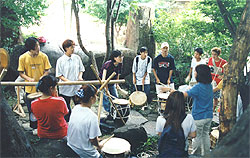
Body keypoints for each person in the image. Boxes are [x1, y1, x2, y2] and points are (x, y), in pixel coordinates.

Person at [17, 37, 51, 132]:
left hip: (42, 89)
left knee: (44, 109)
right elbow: (21, 73)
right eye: (37, 46)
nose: (39, 47)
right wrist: (29, 79)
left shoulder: (44, 56)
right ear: (31, 48)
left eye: (39, 45)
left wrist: (42, 77)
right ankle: (34, 128)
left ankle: (44, 127)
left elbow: (47, 70)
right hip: (29, 89)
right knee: (32, 110)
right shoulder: (23, 58)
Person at [183, 64, 213, 156]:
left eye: (195, 71)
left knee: (197, 137)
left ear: (200, 74)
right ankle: (207, 154)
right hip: (209, 116)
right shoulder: (209, 85)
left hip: (199, 117)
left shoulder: (198, 87)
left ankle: (196, 154)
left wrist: (172, 91)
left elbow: (184, 95)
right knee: (205, 135)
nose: (194, 73)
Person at [156, 91, 196, 157]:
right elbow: (193, 135)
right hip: (181, 152)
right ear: (182, 103)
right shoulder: (189, 117)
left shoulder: (160, 119)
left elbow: (161, 135)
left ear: (168, 103)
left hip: (165, 153)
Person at [67, 85, 103, 158]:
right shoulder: (92, 117)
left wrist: (97, 139)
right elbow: (92, 140)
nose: (97, 97)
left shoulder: (75, 108)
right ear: (92, 98)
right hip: (84, 151)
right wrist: (99, 146)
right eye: (96, 95)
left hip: (71, 146)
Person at [56, 39, 85, 122]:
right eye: (71, 47)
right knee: (66, 108)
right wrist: (67, 81)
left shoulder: (77, 58)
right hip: (65, 87)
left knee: (79, 105)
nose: (73, 49)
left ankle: (79, 121)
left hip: (77, 87)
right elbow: (59, 75)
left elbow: (81, 69)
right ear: (66, 48)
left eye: (73, 47)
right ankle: (68, 123)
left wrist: (80, 77)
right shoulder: (60, 60)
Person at [31, 75, 68, 139]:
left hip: (42, 134)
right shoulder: (60, 101)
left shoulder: (33, 103)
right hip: (60, 134)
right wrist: (56, 97)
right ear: (51, 88)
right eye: (55, 87)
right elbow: (65, 113)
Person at [207, 47, 227, 112]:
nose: (213, 56)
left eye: (215, 54)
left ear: (218, 54)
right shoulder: (210, 60)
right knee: (208, 95)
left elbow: (226, 73)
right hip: (210, 80)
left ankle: (212, 110)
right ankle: (208, 109)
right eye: (212, 54)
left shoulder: (223, 62)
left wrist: (222, 76)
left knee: (216, 97)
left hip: (218, 83)